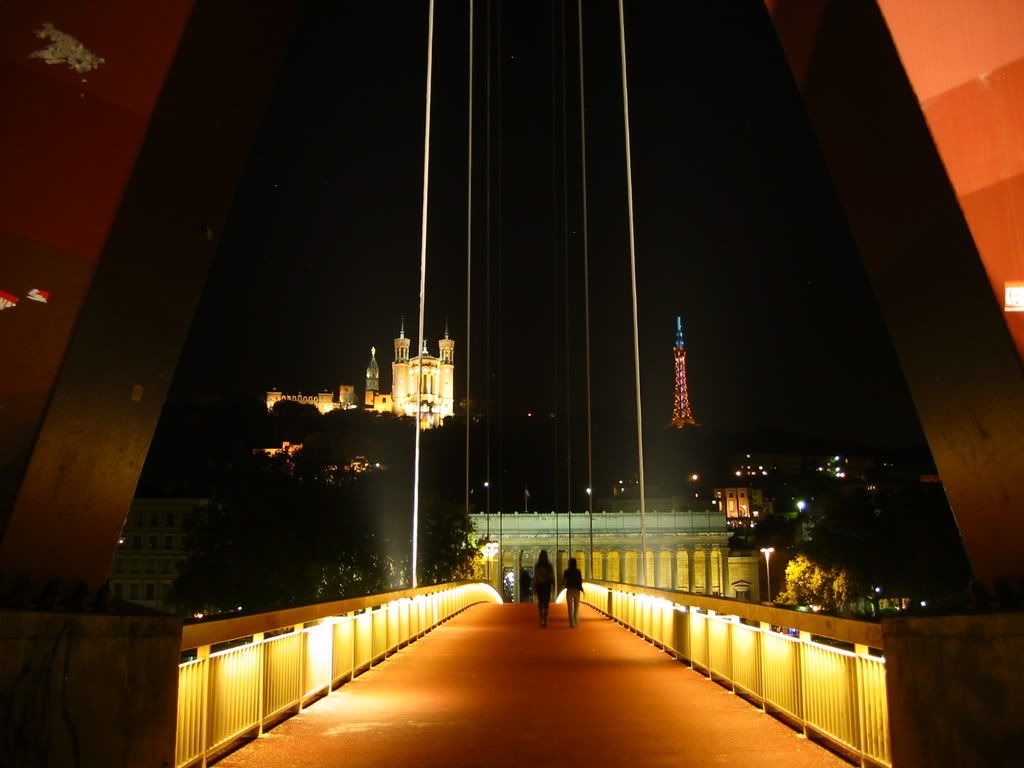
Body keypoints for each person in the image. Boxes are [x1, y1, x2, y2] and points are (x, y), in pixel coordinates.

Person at [533, 550, 554, 627]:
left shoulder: (537, 565)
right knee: (546, 603)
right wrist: (553, 585)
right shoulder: (549, 566)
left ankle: (541, 618)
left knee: (541, 602)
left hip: (539, 585)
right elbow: (552, 576)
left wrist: (534, 588)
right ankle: (545, 619)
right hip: (547, 585)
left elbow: (535, 577)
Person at [563, 557, 583, 628]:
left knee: (570, 607)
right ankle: (576, 620)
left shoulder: (566, 571)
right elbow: (580, 581)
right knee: (576, 607)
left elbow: (563, 581)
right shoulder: (578, 571)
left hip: (569, 590)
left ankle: (571, 623)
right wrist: (581, 588)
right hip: (577, 590)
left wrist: (564, 586)